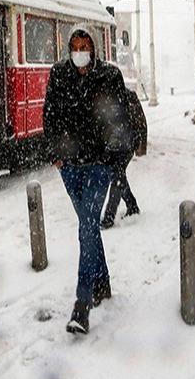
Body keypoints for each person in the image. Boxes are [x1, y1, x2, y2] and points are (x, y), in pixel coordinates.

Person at [43, 25, 135, 335]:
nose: (80, 52)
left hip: (98, 165)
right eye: (75, 46)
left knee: (85, 227)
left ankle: (81, 306)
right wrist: (55, 153)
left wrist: (112, 156)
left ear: (93, 49)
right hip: (70, 167)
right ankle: (103, 283)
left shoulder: (109, 75)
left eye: (85, 46)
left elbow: (118, 115)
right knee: (90, 227)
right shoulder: (59, 74)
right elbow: (50, 115)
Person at [101, 83, 147, 229]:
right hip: (112, 146)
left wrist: (140, 145)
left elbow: (140, 121)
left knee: (117, 176)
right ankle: (132, 206)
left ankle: (109, 217)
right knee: (118, 176)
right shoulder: (105, 99)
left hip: (127, 145)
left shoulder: (128, 96)